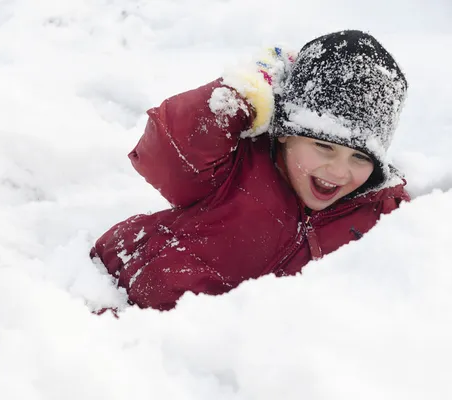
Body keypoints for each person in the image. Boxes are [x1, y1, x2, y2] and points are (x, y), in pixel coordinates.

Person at [92, 29, 410, 311]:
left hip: (233, 361)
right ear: (285, 131)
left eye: (360, 157)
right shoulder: (236, 162)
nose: (339, 171)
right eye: (324, 146)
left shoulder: (378, 214)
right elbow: (168, 151)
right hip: (122, 301)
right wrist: (243, 95)